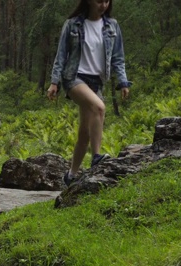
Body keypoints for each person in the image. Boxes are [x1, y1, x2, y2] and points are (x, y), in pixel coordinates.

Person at [46, 0, 131, 186]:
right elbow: (61, 55)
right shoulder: (73, 24)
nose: (103, 5)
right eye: (99, 1)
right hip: (74, 77)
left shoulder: (112, 26)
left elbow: (118, 58)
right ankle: (96, 157)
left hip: (97, 82)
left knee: (84, 133)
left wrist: (123, 81)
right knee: (99, 107)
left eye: (107, 1)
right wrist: (54, 82)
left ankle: (70, 175)